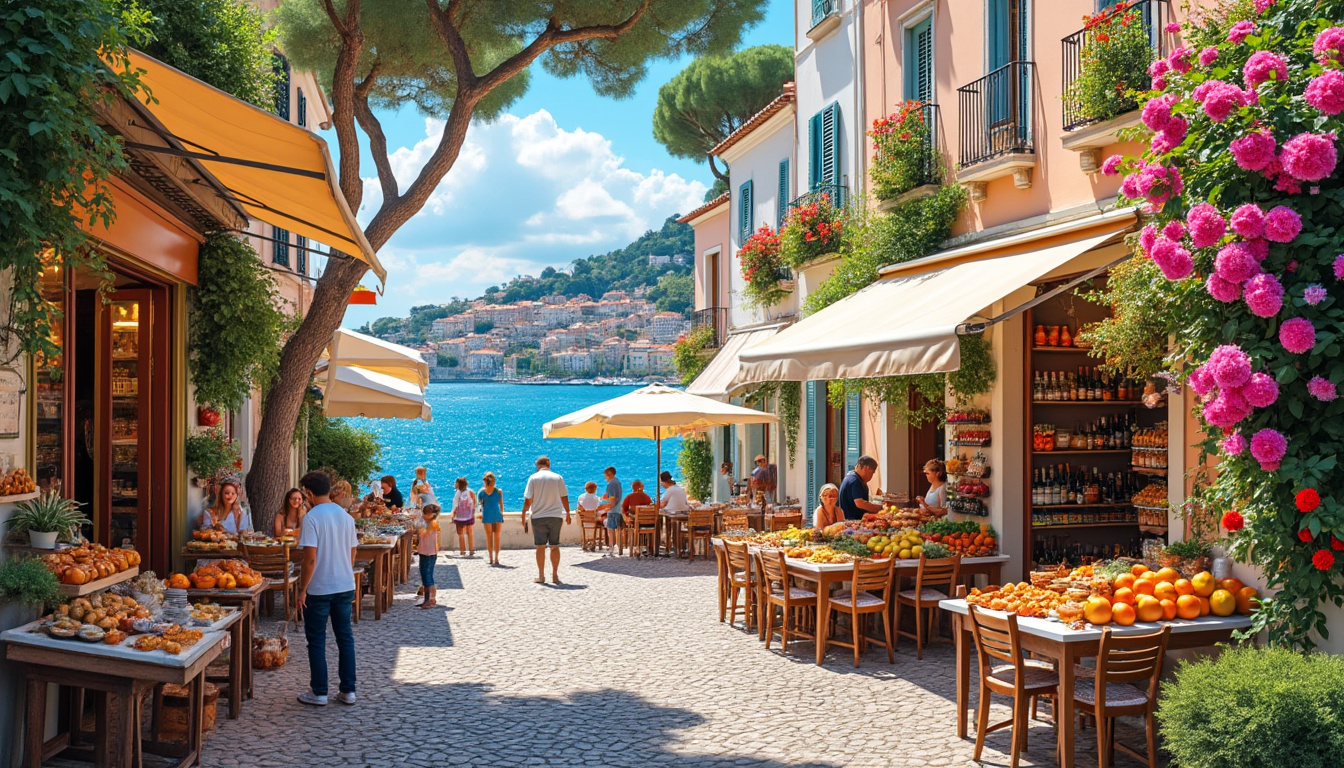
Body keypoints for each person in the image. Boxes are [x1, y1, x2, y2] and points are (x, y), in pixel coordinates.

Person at [295, 470, 358, 707]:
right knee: (345, 638)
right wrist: (342, 571)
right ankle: (348, 690)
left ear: (309, 493)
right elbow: (353, 551)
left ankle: (319, 691)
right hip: (344, 584)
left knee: (317, 639)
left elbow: (310, 559)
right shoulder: (346, 517)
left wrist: (302, 589)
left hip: (320, 588)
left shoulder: (312, 518)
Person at [521, 456, 570, 584]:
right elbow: (564, 497)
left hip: (538, 517)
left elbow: (528, 500)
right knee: (554, 546)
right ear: (549, 463)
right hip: (555, 516)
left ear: (537, 465)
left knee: (540, 547)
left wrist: (523, 513)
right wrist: (568, 513)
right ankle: (554, 575)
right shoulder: (558, 477)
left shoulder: (533, 478)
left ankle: (541, 576)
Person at [838, 455, 883, 521]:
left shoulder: (853, 477)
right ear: (866, 468)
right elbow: (860, 503)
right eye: (872, 473)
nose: (871, 476)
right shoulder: (855, 481)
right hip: (852, 521)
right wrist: (880, 509)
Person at [415, 504, 442, 609]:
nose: (424, 515)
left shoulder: (433, 524)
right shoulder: (427, 523)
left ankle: (430, 599)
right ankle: (428, 599)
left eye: (427, 513)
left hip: (429, 552)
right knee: (425, 575)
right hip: (424, 551)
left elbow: (424, 533)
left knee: (427, 576)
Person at [478, 472, 504, 565]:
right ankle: (496, 558)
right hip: (497, 515)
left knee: (489, 537)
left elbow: (480, 506)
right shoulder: (499, 491)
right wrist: (502, 515)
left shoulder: (481, 492)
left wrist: (481, 514)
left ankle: (490, 558)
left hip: (487, 515)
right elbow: (501, 505)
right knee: (497, 537)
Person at [600, 466, 623, 555]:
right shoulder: (618, 482)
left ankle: (612, 547)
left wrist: (608, 507)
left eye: (606, 475)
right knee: (617, 529)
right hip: (618, 509)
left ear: (609, 474)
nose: (605, 477)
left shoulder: (611, 484)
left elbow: (613, 498)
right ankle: (617, 546)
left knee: (611, 529)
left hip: (613, 510)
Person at [451, 477, 477, 557]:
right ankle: (471, 550)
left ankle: (463, 551)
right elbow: (475, 502)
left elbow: (455, 505)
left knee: (460, 534)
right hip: (469, 516)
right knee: (470, 533)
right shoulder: (471, 492)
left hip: (459, 517)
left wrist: (453, 516)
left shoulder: (457, 493)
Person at [577, 481, 602, 551]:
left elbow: (579, 508)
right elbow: (598, 509)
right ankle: (594, 541)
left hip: (583, 520)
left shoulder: (581, 497)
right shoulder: (597, 498)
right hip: (594, 521)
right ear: (594, 489)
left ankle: (585, 542)